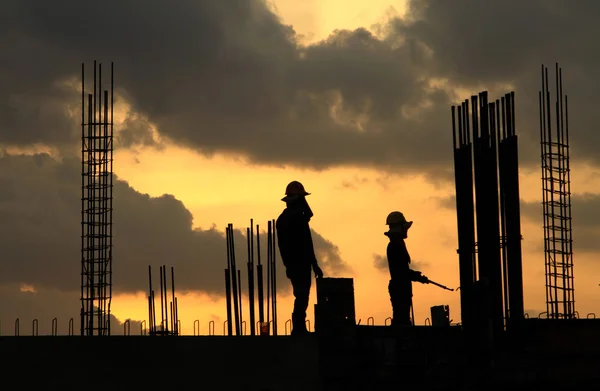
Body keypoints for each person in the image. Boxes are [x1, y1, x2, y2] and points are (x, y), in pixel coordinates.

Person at [276, 181, 324, 336]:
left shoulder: (294, 218)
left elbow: (307, 242)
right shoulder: (291, 218)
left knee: (302, 295)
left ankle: (299, 327)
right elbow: (290, 245)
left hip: (300, 263)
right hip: (298, 264)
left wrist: (314, 264)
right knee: (302, 295)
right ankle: (298, 327)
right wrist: (293, 265)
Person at [385, 211, 428, 327]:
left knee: (402, 320)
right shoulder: (395, 246)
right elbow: (401, 271)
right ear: (399, 228)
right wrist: (416, 276)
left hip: (401, 287)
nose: (406, 230)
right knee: (401, 321)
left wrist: (415, 275)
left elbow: (402, 270)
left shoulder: (397, 244)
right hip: (400, 288)